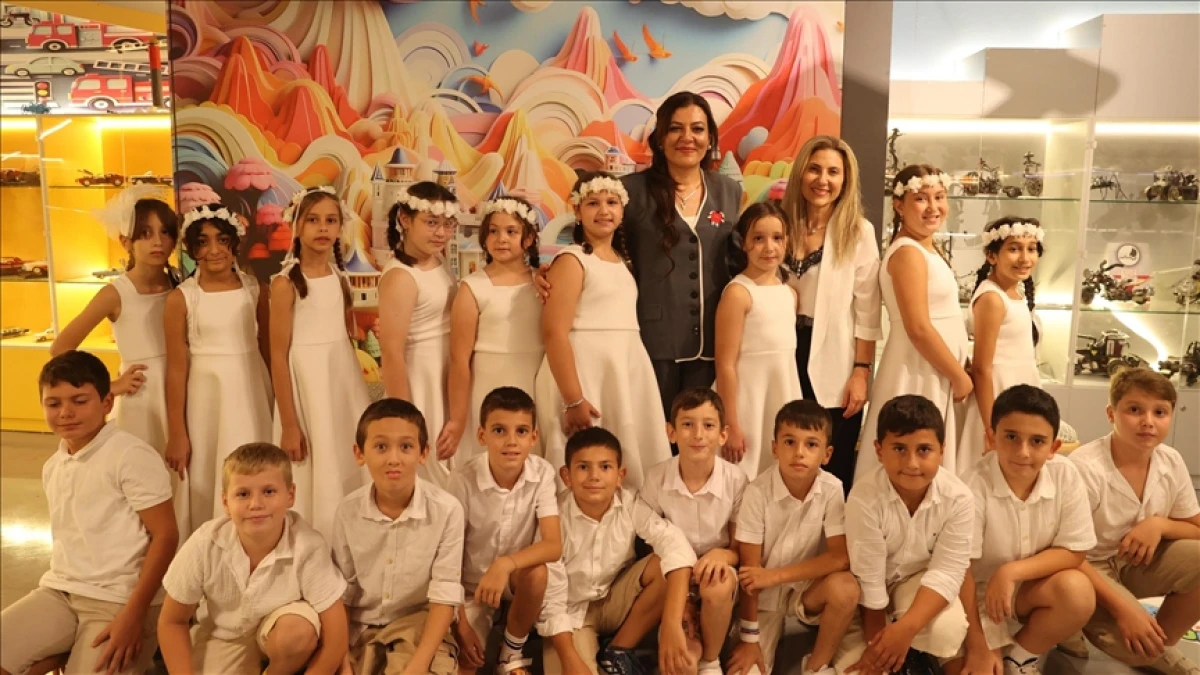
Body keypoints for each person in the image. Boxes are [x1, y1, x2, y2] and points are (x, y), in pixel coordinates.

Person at [0, 351, 177, 675]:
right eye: (53, 403)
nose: (66, 412)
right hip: (61, 593)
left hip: (121, 600)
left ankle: (75, 650)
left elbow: (165, 536)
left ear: (107, 402)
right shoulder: (54, 465)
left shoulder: (130, 455)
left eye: (79, 401)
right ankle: (66, 649)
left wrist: (134, 615)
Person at [157, 443, 349, 675]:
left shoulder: (308, 545)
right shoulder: (205, 542)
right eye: (243, 494)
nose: (256, 504)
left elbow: (337, 633)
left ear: (290, 495)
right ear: (226, 503)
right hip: (225, 637)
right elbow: (172, 621)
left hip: (283, 631)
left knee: (296, 633)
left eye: (269, 492)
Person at [945, 385, 1096, 675]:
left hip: (1023, 593)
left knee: (1077, 591)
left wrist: (1011, 572)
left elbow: (1075, 550)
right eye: (1011, 437)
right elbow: (961, 570)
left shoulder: (1066, 475)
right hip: (970, 601)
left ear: (1053, 448)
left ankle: (1021, 658)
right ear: (991, 438)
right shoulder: (970, 486)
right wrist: (979, 643)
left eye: (1037, 441)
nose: (1023, 452)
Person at [534, 171, 671, 490]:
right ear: (577, 211)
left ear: (623, 210)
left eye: (612, 202)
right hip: (584, 373)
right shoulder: (572, 260)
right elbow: (554, 332)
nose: (604, 210)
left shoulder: (623, 260)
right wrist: (573, 399)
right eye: (593, 203)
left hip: (623, 367)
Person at [620, 91, 744, 416]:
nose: (687, 137)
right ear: (660, 138)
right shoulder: (630, 191)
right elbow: (605, 251)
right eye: (676, 128)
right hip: (653, 341)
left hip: (714, 344)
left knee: (701, 435)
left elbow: (741, 259)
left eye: (698, 129)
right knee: (654, 433)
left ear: (710, 138)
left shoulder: (729, 191)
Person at [1070, 368, 1200, 674]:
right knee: (1131, 644)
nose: (1148, 421)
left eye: (1160, 412)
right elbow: (1065, 553)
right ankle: (1073, 625)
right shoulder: (1084, 468)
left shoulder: (1170, 460)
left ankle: (1159, 645)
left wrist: (1159, 525)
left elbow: (1195, 526)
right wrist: (1126, 609)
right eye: (1134, 410)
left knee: (1144, 649)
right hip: (1087, 566)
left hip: (1135, 563)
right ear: (1111, 414)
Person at [540, 427, 698, 675]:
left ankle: (618, 650)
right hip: (570, 615)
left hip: (616, 600)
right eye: (583, 467)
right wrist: (568, 656)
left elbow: (677, 545)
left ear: (620, 475)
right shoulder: (553, 518)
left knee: (665, 562)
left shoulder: (629, 503)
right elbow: (550, 598)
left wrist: (671, 623)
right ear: (566, 476)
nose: (594, 476)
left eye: (605, 467)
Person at [839, 395, 974, 674]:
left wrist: (905, 630)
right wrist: (879, 650)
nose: (912, 463)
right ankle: (904, 653)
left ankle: (913, 647)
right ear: (879, 450)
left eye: (924, 450)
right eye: (899, 448)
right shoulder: (864, 497)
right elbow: (869, 578)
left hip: (917, 582)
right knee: (859, 670)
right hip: (864, 597)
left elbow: (947, 572)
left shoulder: (959, 497)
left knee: (947, 632)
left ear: (942, 451)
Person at [779, 136, 882, 492]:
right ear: (800, 173)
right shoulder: (780, 223)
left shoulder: (858, 232)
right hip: (783, 349)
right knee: (786, 450)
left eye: (833, 172)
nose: (822, 180)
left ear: (845, 180)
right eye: (815, 169)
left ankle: (832, 526)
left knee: (830, 461)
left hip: (834, 355)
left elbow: (868, 309)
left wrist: (861, 372)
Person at [332, 398, 465, 675]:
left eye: (405, 447)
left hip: (419, 627)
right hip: (362, 629)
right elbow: (343, 592)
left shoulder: (447, 510)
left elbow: (444, 594)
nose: (394, 459)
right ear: (359, 453)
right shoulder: (348, 511)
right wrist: (341, 660)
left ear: (423, 453)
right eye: (381, 447)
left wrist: (417, 666)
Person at [856, 166, 972, 481]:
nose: (933, 207)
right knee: (911, 450)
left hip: (936, 368)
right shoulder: (908, 253)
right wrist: (959, 376)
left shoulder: (926, 249)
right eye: (921, 199)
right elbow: (918, 328)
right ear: (899, 205)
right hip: (919, 368)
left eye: (939, 197)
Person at [164, 203, 273, 535]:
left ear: (234, 243)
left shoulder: (255, 290)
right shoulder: (182, 299)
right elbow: (176, 370)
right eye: (203, 242)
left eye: (222, 240)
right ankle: (212, 541)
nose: (214, 250)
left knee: (255, 461)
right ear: (191, 249)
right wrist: (177, 433)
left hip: (250, 391)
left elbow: (270, 351)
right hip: (206, 397)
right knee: (211, 468)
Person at [727, 400, 859, 675]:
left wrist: (775, 576)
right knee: (747, 671)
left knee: (846, 588)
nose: (799, 452)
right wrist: (749, 639)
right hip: (763, 599)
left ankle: (816, 666)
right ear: (775, 448)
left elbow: (840, 557)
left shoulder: (832, 489)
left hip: (806, 591)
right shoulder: (757, 492)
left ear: (827, 454)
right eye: (789, 442)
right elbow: (751, 573)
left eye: (811, 444)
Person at [269, 186, 369, 538]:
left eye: (330, 220)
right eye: (313, 220)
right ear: (296, 226)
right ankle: (315, 538)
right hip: (307, 387)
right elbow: (278, 356)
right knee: (315, 463)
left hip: (340, 383)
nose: (323, 228)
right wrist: (289, 423)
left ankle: (349, 536)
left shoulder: (340, 278)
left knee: (344, 455)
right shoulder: (285, 284)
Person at [52, 188, 180, 454]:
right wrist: (108, 386)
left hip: (180, 385)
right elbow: (60, 347)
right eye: (145, 234)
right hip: (142, 395)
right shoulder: (116, 293)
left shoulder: (178, 282)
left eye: (165, 232)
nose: (157, 242)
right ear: (126, 241)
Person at [448, 387, 562, 674]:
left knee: (538, 574)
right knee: (465, 665)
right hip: (472, 588)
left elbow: (553, 545)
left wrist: (504, 565)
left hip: (514, 579)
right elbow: (448, 557)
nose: (511, 441)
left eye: (521, 431)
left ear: (534, 437)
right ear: (482, 435)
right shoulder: (462, 479)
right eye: (499, 430)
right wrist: (461, 623)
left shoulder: (542, 473)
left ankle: (510, 654)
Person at [638, 388, 747, 675]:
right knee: (681, 664)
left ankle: (710, 660)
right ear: (671, 432)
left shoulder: (737, 480)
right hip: (673, 579)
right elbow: (651, 544)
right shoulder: (656, 477)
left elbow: (740, 549)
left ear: (723, 435)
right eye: (687, 424)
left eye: (708, 426)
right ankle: (684, 636)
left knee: (718, 583)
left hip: (717, 573)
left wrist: (723, 555)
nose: (698, 435)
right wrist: (683, 596)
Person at [441, 196, 543, 463]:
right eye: (493, 231)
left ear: (528, 238)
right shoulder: (472, 288)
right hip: (488, 382)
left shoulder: (542, 282)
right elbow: (459, 359)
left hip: (535, 381)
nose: (501, 239)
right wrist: (457, 418)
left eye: (511, 232)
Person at [378, 181, 460, 488]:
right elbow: (391, 352)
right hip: (421, 377)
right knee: (430, 465)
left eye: (447, 225)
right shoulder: (401, 276)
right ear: (405, 219)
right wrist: (404, 418)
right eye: (431, 223)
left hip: (445, 371)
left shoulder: (437, 261)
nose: (441, 233)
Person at [714, 202, 802, 478]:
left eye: (777, 238)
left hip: (781, 393)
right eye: (759, 238)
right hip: (747, 403)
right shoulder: (738, 293)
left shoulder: (790, 294)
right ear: (744, 243)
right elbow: (725, 364)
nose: (769, 247)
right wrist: (730, 423)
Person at [958, 217, 1045, 473]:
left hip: (1018, 391)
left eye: (1031, 249)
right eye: (1014, 249)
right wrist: (990, 427)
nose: (1025, 258)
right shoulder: (992, 298)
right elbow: (982, 368)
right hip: (997, 397)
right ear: (992, 255)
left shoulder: (1013, 294)